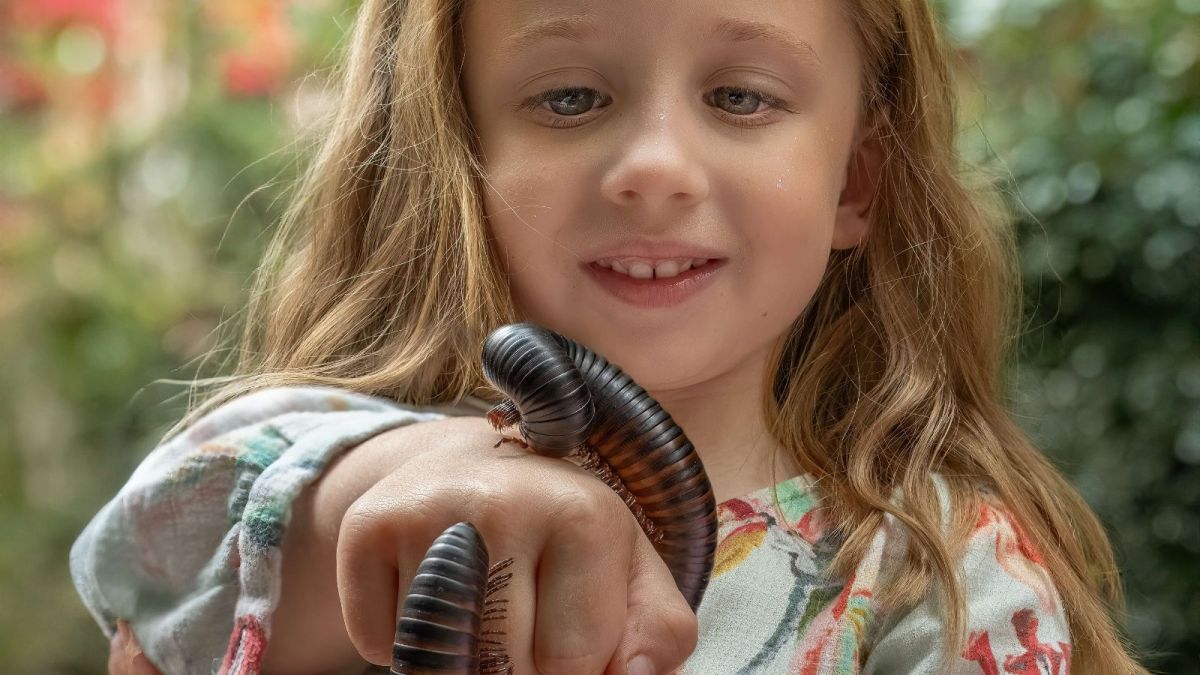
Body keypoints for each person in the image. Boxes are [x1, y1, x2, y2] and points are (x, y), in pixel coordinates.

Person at [74, 0, 1146, 673]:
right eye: (571, 96)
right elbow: (156, 559)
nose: (655, 167)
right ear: (460, 152)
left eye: (741, 95)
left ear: (855, 183)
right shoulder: (301, 461)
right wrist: (396, 483)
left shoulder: (938, 575)